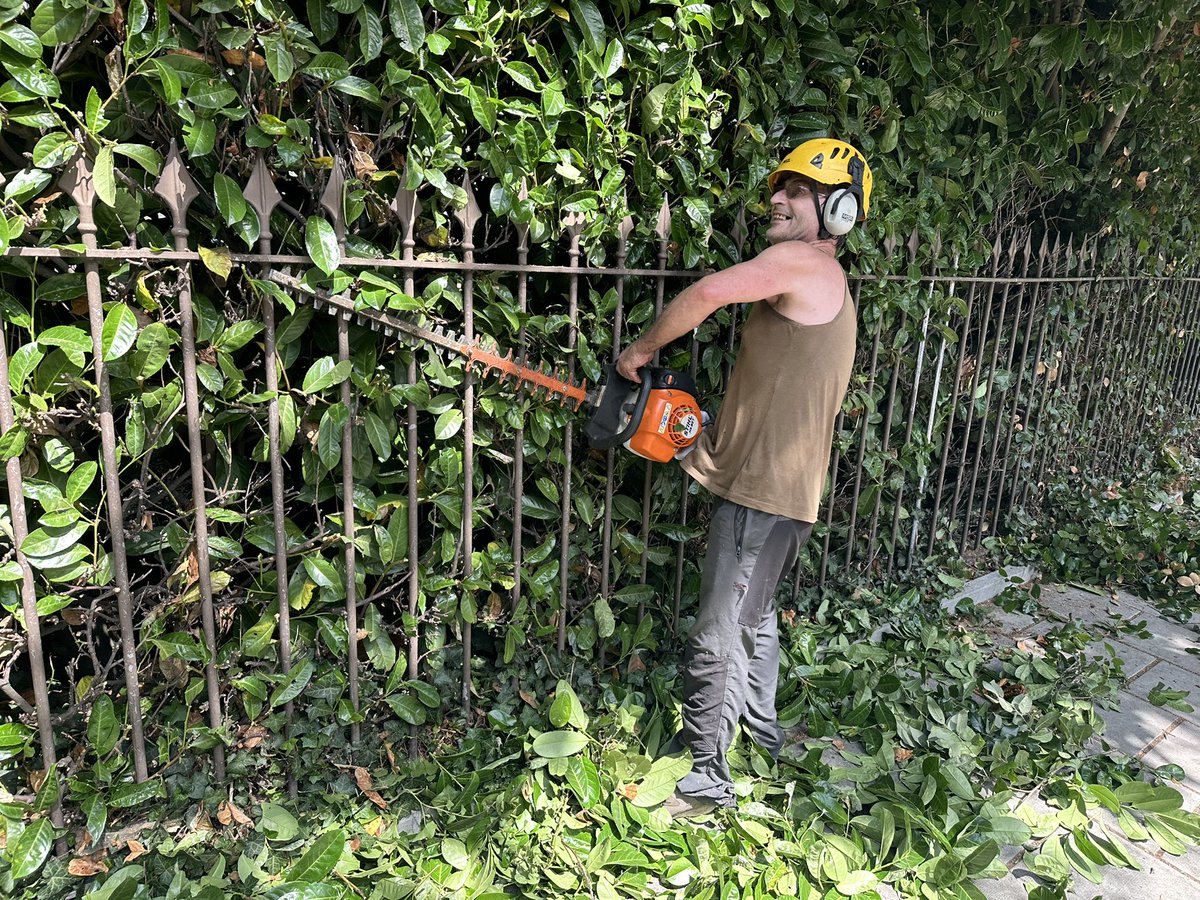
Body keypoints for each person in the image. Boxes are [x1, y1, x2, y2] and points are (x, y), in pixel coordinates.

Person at [615, 139, 873, 818]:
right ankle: (764, 736)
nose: (777, 201)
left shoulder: (801, 263)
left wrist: (642, 350)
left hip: (763, 494)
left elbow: (709, 293)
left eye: (796, 191)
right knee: (753, 619)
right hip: (787, 493)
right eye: (778, 189)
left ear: (838, 210)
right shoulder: (828, 286)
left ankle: (707, 777)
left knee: (720, 627)